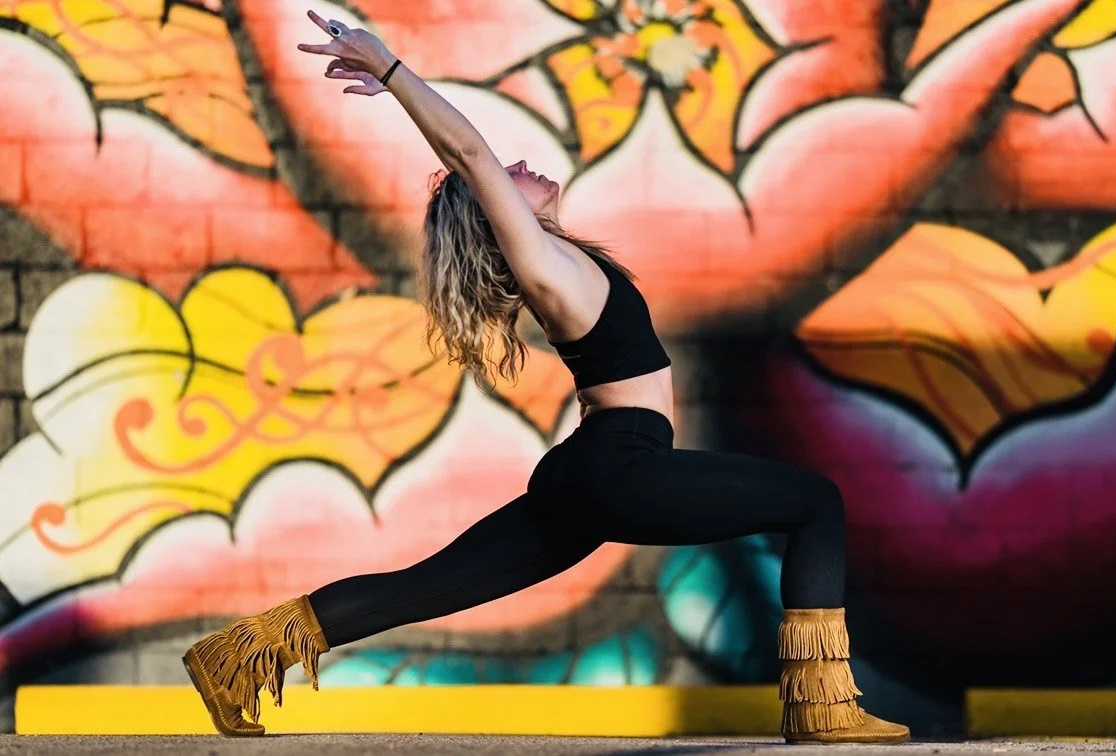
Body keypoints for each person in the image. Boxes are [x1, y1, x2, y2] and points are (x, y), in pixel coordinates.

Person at [180, 11, 910, 745]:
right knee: (816, 503)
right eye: (507, 179)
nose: (519, 167)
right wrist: (391, 70)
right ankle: (822, 710)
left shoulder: (562, 264)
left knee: (431, 584)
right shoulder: (542, 266)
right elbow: (468, 153)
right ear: (498, 219)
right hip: (618, 465)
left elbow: (478, 163)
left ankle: (234, 656)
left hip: (587, 474)